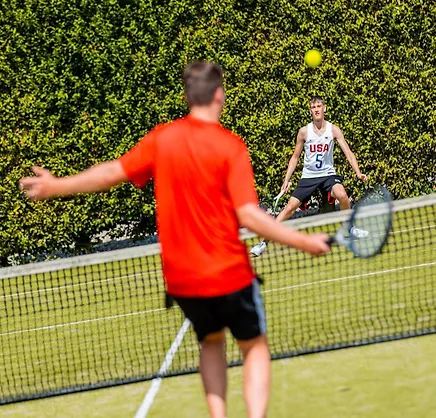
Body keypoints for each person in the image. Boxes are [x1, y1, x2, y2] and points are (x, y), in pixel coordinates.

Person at [20, 62, 330, 418]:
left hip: (182, 280)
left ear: (187, 96)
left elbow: (112, 172)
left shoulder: (162, 138)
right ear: (219, 95)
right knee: (255, 346)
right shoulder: (230, 146)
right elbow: (249, 216)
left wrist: (56, 185)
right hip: (228, 274)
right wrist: (305, 242)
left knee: (210, 341)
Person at [251, 96, 368, 257]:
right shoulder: (304, 132)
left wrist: (358, 172)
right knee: (289, 208)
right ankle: (263, 243)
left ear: (324, 108)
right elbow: (295, 157)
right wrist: (286, 180)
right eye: (313, 107)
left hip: (328, 175)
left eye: (319, 106)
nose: (317, 109)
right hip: (309, 177)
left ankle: (351, 228)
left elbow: (348, 152)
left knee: (341, 194)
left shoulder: (333, 130)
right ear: (310, 111)